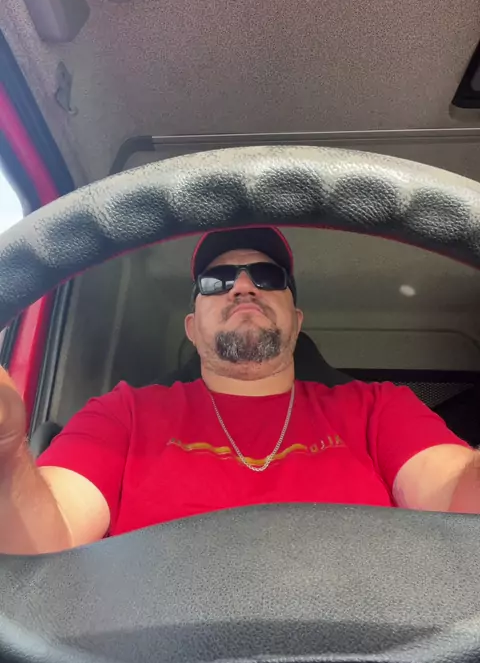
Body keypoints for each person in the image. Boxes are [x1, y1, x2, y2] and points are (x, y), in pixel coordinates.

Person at [0, 226, 478, 554]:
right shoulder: (122, 415)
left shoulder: (379, 409)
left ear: (297, 321)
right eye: (217, 280)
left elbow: (461, 506)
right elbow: (44, 545)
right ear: (191, 328)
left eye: (268, 278)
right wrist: (5, 447)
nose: (244, 287)